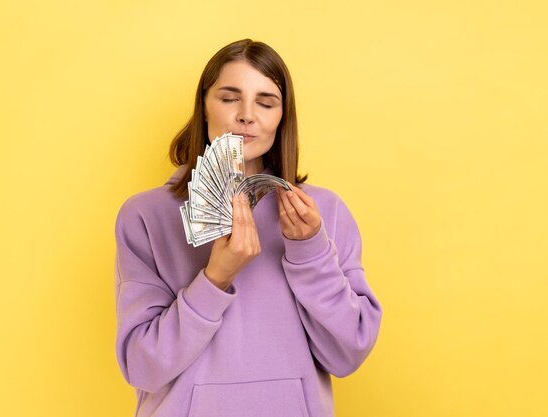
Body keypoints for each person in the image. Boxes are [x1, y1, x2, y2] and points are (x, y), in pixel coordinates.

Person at [114, 39, 382, 417]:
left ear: (281, 118)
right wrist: (215, 278)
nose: (246, 115)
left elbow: (348, 352)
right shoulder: (145, 215)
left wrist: (310, 254)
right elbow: (143, 367)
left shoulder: (324, 213)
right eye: (229, 98)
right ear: (203, 108)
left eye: (266, 102)